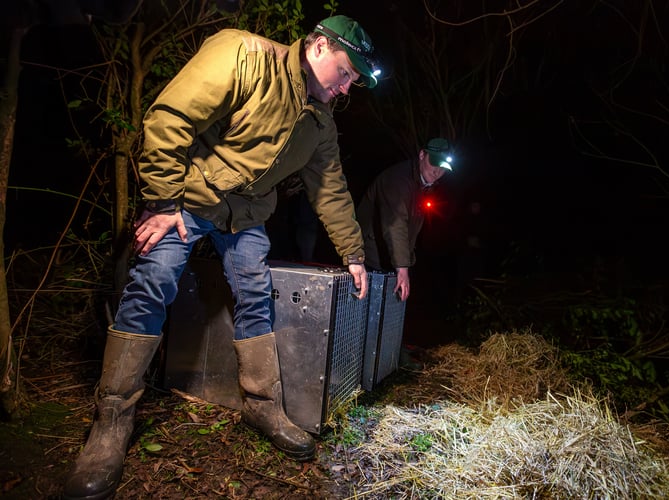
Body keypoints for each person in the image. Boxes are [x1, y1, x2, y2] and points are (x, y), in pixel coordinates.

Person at [63, 15, 380, 500]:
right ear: (318, 46)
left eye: (354, 80)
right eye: (346, 71)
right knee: (154, 280)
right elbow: (171, 118)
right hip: (189, 197)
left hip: (247, 216)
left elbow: (331, 190)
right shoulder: (246, 55)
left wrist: (354, 254)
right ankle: (112, 419)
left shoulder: (320, 124)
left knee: (256, 292)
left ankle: (261, 404)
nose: (346, 86)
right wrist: (164, 203)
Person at [356, 137, 454, 301]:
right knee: (362, 312)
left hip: (390, 260)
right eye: (434, 163)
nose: (438, 171)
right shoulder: (398, 180)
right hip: (370, 259)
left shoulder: (424, 184)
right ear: (422, 155)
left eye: (443, 167)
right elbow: (396, 223)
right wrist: (402, 267)